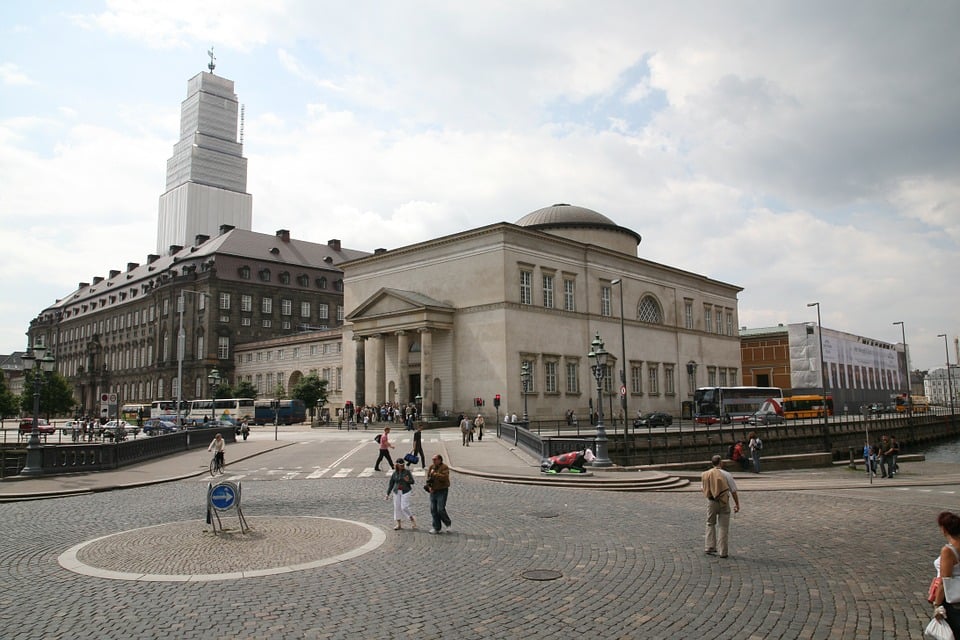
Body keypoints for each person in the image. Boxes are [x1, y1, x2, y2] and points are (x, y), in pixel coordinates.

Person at [701, 454, 740, 558]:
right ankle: (723, 551)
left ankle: (709, 547)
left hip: (711, 501)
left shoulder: (706, 474)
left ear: (712, 463)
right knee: (723, 527)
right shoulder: (726, 474)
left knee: (710, 523)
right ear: (721, 463)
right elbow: (733, 490)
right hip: (724, 501)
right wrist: (737, 504)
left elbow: (703, 488)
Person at [932, 511, 960, 637]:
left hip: (952, 599)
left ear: (944, 529)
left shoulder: (948, 551)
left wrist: (937, 605)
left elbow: (945, 581)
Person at [385, 459, 416, 530]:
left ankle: (412, 519)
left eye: (403, 465)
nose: (402, 466)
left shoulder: (407, 472)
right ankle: (398, 524)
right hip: (396, 491)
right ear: (397, 465)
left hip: (405, 491)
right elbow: (391, 484)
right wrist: (387, 494)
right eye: (401, 465)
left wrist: (408, 481)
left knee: (404, 507)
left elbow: (412, 481)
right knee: (397, 508)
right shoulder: (395, 473)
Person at [426, 453, 452, 534]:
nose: (433, 461)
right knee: (433, 510)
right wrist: (429, 487)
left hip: (442, 490)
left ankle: (448, 523)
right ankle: (436, 527)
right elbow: (428, 478)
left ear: (440, 460)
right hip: (433, 491)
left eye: (435, 459)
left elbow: (445, 477)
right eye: (432, 460)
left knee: (440, 509)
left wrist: (435, 474)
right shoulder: (431, 467)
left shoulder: (444, 467)